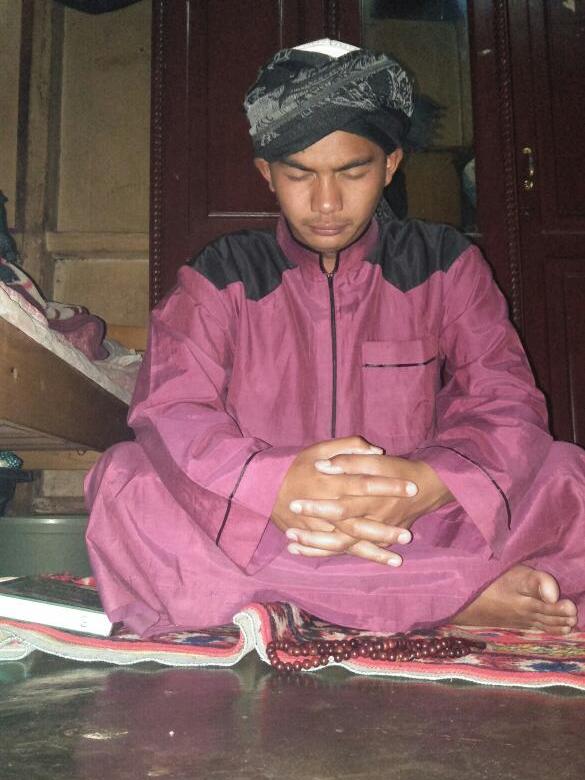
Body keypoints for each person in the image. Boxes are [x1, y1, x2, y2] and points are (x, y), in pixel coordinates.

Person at [86, 39, 585, 639]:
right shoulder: (219, 275)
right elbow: (172, 411)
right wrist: (274, 485)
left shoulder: (445, 264)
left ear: (390, 165)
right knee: (125, 481)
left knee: (567, 475)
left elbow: (507, 404)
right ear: (267, 174)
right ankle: (451, 599)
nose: (326, 203)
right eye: (300, 174)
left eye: (353, 171)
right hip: (261, 522)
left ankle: (312, 601)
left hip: (411, 523)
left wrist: (420, 485)